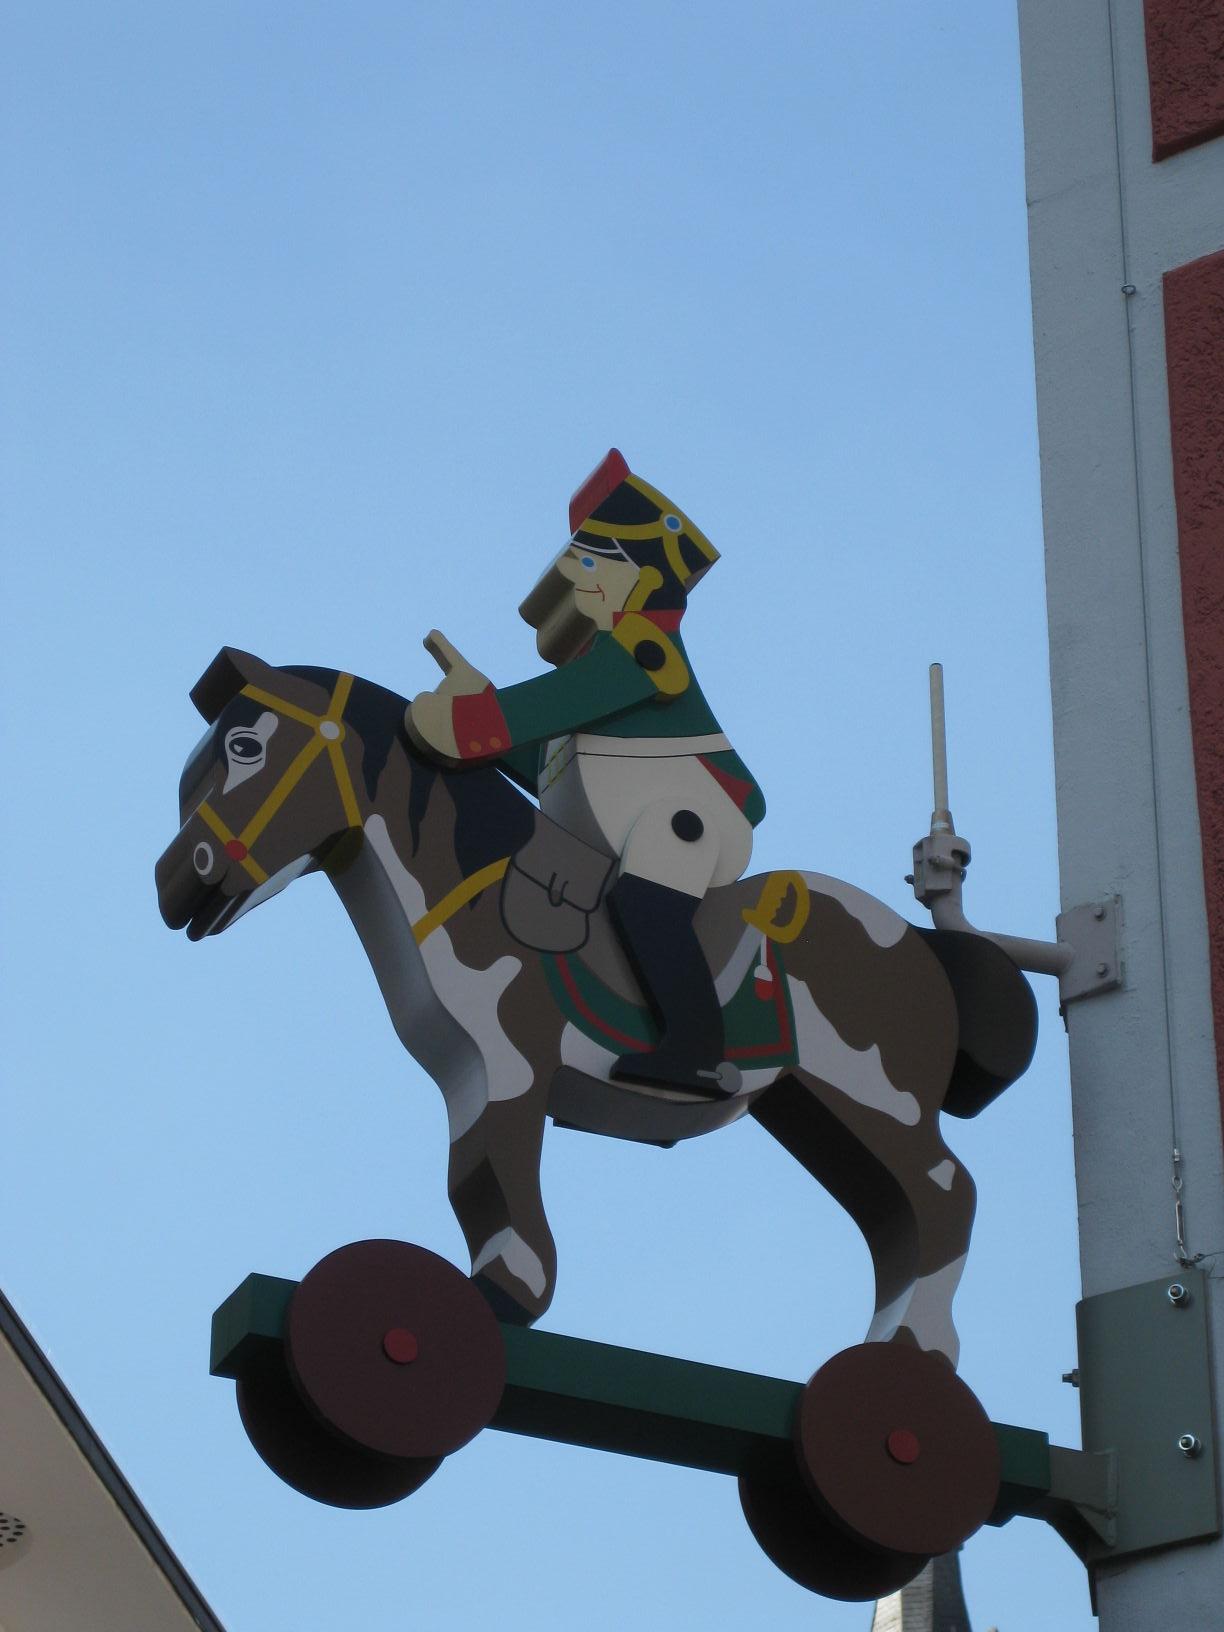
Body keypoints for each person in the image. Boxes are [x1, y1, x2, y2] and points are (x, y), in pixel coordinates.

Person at [406, 449, 765, 1096]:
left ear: (642, 579)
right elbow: (547, 764)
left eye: (596, 563)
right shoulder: (594, 675)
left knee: (646, 902)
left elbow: (552, 706)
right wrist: (481, 703)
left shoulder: (643, 650)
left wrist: (469, 723)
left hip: (693, 815)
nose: (577, 580)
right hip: (629, 820)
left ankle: (698, 1053)